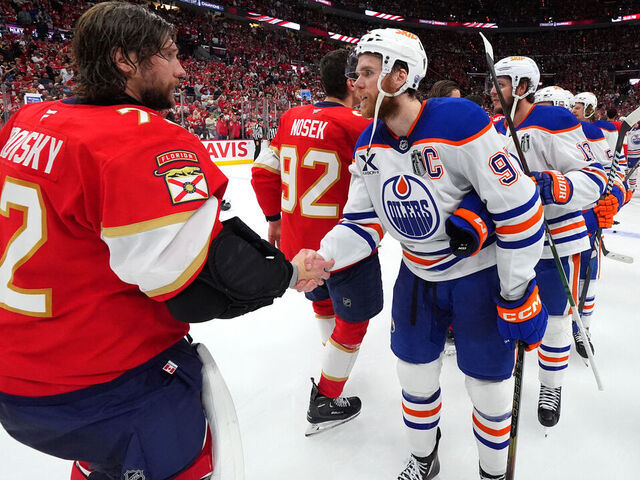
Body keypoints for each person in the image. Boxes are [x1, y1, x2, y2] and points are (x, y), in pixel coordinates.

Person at [0, 3, 331, 480]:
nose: (181, 68)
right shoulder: (144, 140)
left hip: (20, 380)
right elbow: (196, 281)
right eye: (170, 54)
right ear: (125, 61)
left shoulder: (25, 120)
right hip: (102, 383)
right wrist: (290, 272)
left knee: (104, 465)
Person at [314, 29, 548, 480]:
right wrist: (321, 258)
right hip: (416, 277)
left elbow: (518, 208)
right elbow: (361, 224)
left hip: (478, 278)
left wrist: (517, 290)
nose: (355, 83)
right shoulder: (367, 145)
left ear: (399, 76)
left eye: (365, 72)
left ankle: (492, 472)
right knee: (414, 379)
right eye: (355, 74)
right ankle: (425, 456)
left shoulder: (459, 121)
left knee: (490, 392)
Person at [251, 48, 379, 436]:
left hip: (297, 244)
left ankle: (331, 355)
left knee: (321, 299)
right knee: (355, 320)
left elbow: (261, 172)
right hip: (342, 244)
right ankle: (327, 394)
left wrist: (274, 218)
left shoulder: (290, 116)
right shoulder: (357, 126)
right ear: (348, 82)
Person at [490, 58, 606, 429]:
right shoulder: (492, 128)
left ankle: (551, 386)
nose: (492, 89)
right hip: (507, 243)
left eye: (501, 83)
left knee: (556, 322)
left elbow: (596, 176)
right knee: (509, 316)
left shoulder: (554, 121)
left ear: (522, 87)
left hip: (557, 239)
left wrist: (557, 186)